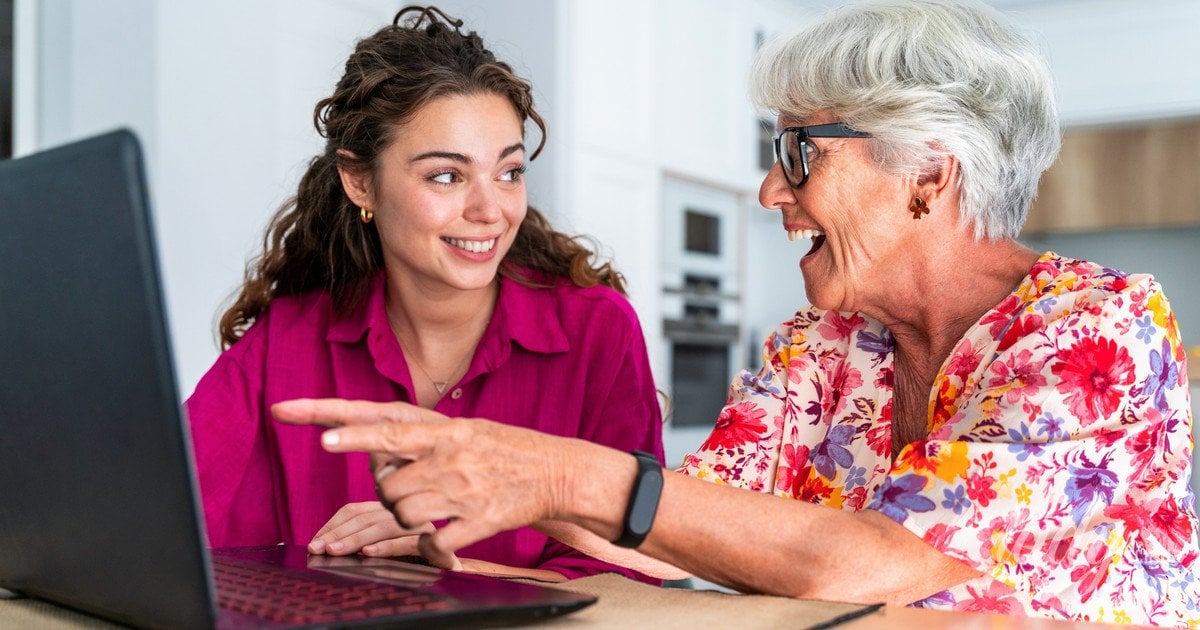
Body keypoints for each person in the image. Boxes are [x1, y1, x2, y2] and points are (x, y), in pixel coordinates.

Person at [273, 0, 1200, 625]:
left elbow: (874, 561)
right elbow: (673, 536)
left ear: (927, 172)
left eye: (799, 152)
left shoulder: (1096, 329)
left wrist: (553, 474)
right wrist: (474, 505)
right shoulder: (822, 345)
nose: (769, 189)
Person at [185, 5, 664, 583]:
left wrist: (452, 567)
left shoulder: (597, 332)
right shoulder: (284, 342)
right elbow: (157, 519)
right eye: (446, 176)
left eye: (509, 173)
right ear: (359, 180)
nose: (491, 211)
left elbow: (633, 573)